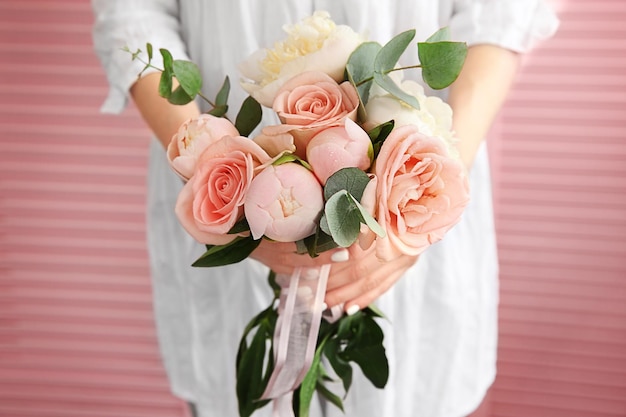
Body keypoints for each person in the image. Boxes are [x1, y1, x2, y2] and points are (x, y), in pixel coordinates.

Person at [91, 1, 558, 416]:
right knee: (246, 394)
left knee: (417, 388)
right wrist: (227, 194)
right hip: (229, 232)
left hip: (418, 197)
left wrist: (422, 198)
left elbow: (502, 13)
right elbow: (134, 15)